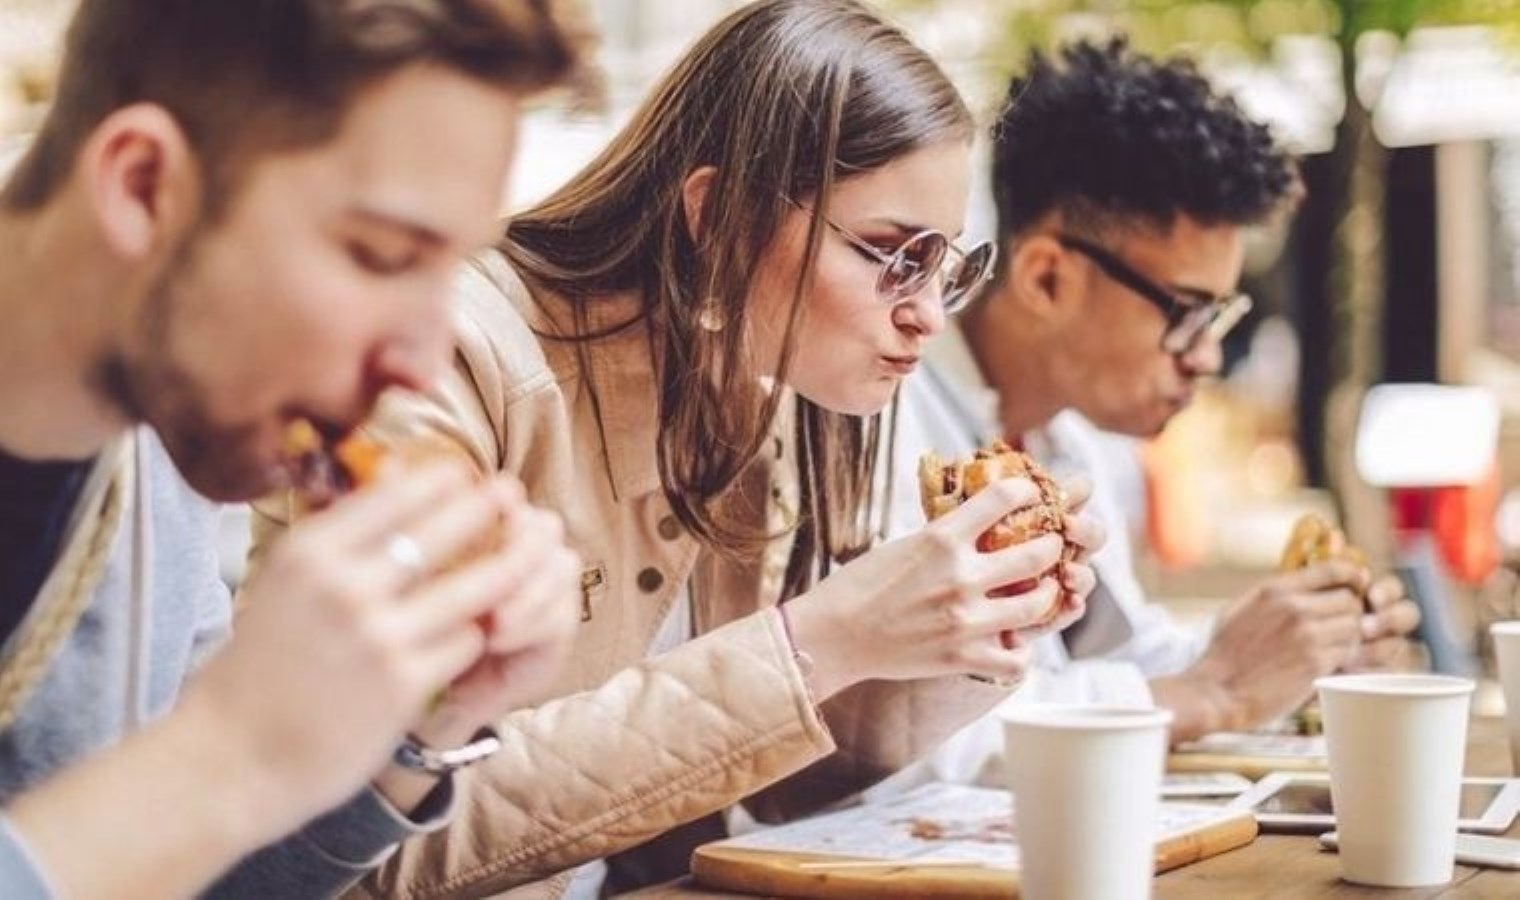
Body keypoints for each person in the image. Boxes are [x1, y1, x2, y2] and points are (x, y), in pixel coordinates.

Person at [250, 1, 1105, 896]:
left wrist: (963, 636)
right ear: (718, 212)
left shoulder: (753, 383)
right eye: (894, 255)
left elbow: (772, 788)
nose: (928, 313)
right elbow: (367, 844)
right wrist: (819, 640)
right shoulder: (447, 363)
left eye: (947, 267)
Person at [0, 2, 586, 896]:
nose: (424, 364)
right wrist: (231, 754)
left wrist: (419, 723)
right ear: (145, 185)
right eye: (384, 256)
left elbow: (175, 868)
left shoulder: (172, 431)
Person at [882, 38, 1422, 788]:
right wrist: (1217, 689)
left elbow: (1120, 662)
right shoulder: (884, 426)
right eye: (1186, 313)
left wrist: (1301, 647)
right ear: (1046, 278)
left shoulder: (1070, 439)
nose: (1204, 358)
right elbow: (915, 744)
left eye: (1218, 319)